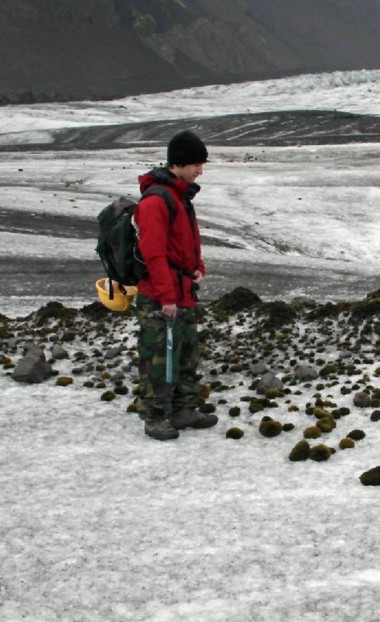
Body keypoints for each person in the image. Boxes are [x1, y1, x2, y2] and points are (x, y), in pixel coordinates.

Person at [132, 130, 216, 440]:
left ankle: (183, 410)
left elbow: (187, 243)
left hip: (184, 292)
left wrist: (198, 268)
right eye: (196, 164)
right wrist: (165, 297)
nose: (200, 170)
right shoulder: (156, 201)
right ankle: (154, 416)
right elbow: (153, 254)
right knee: (158, 357)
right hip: (161, 295)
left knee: (186, 354)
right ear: (178, 164)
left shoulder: (181, 197)